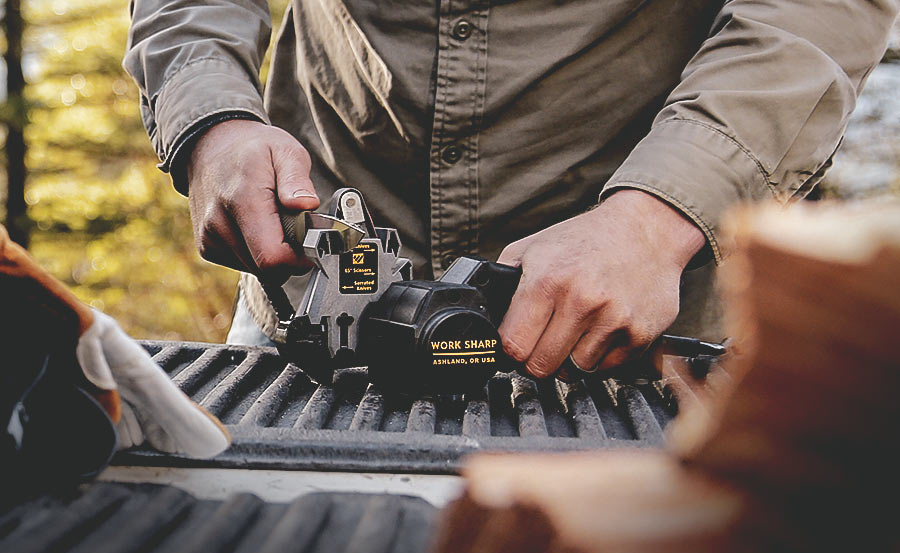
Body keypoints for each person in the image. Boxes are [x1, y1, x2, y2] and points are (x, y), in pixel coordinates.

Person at [124, 0, 898, 378]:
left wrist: (659, 217)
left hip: (628, 323)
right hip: (312, 300)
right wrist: (210, 116)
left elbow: (814, 11)